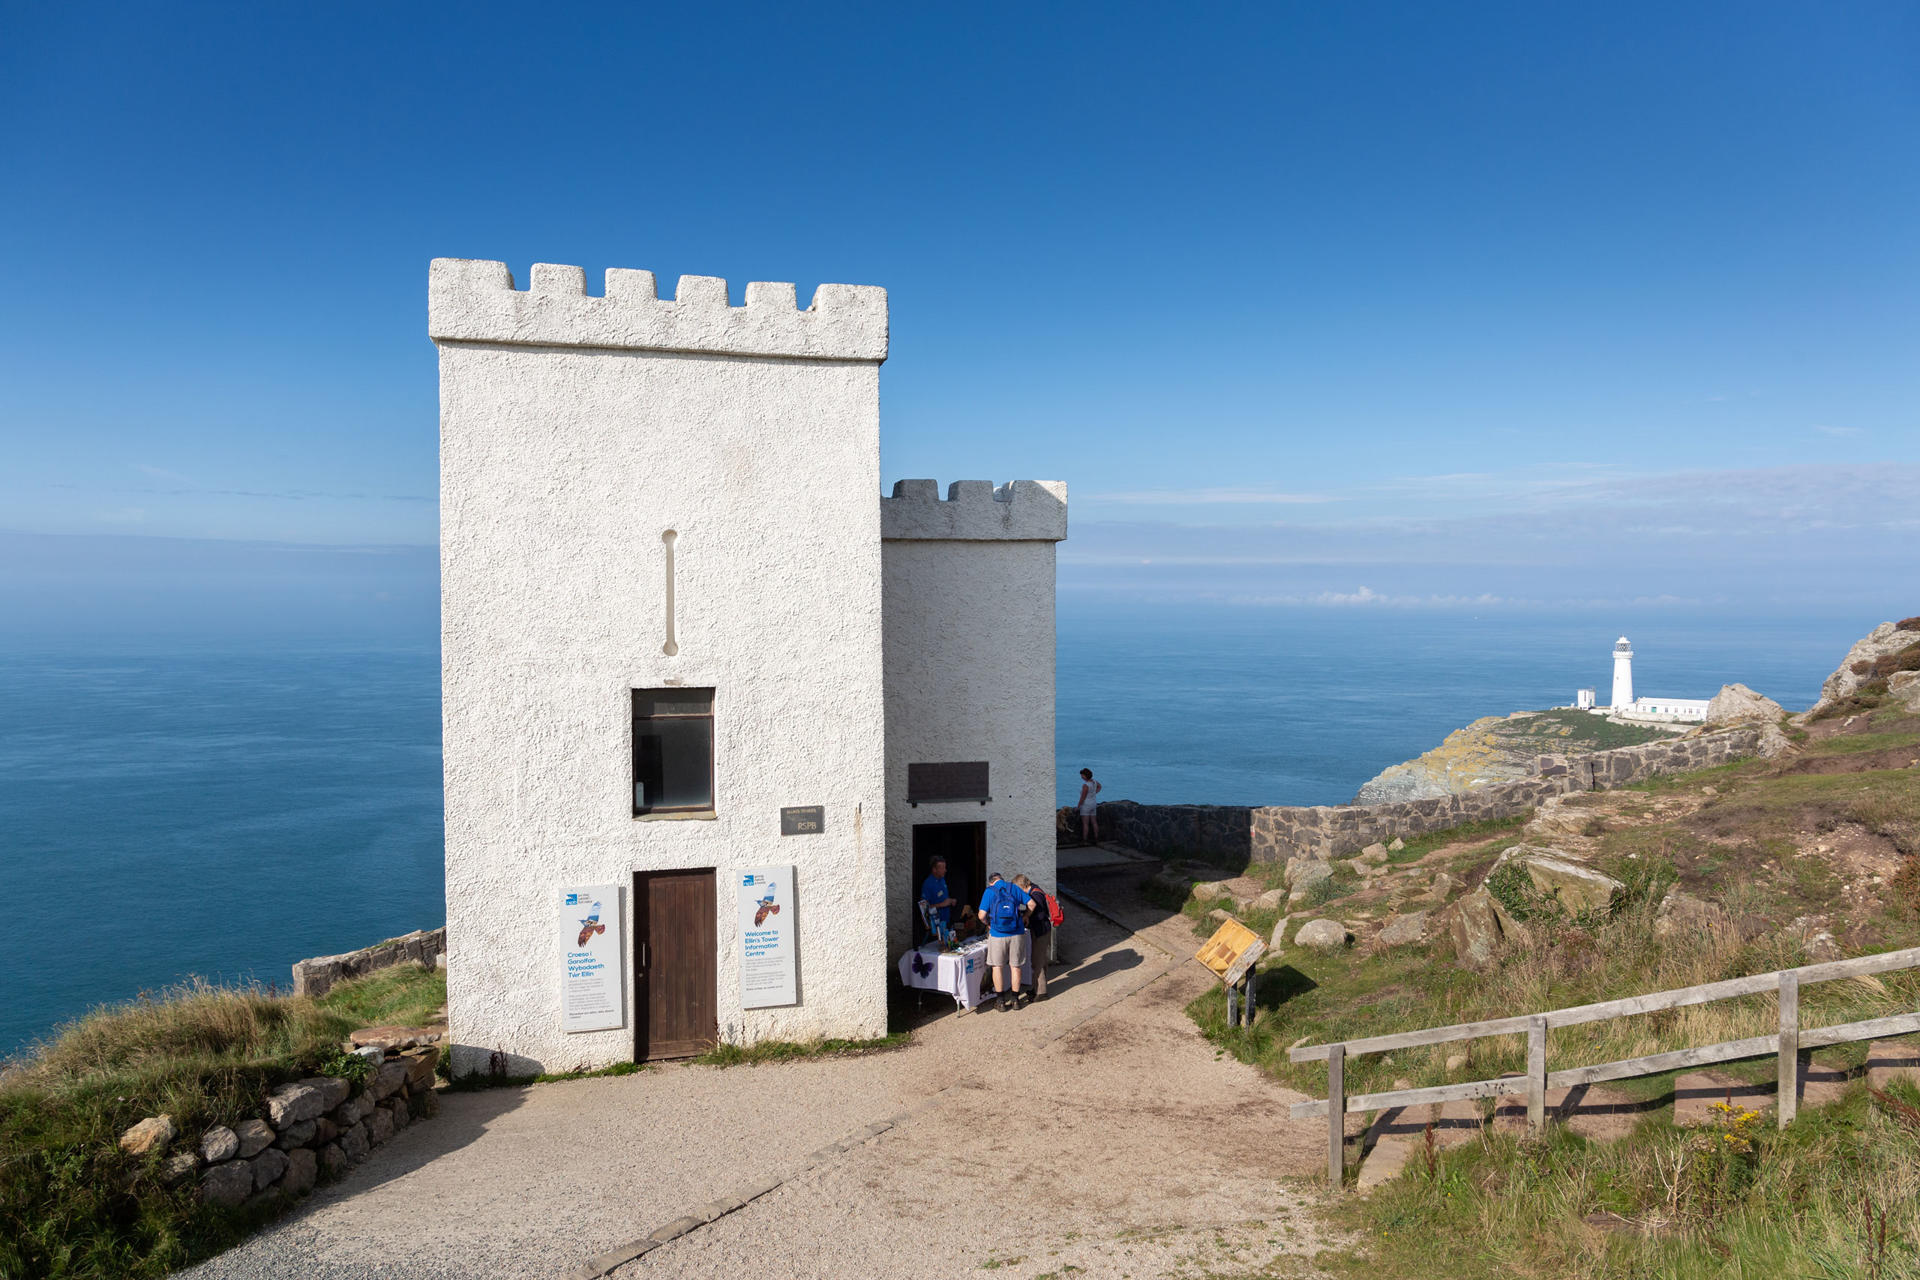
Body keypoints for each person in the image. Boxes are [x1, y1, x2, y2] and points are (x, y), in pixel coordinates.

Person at [977, 872, 1034, 1010]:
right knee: (1016, 966)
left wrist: (988, 924)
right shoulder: (1013, 888)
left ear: (991, 882)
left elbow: (981, 915)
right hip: (1017, 933)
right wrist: (1026, 916)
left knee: (997, 966)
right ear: (1002, 879)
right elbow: (1032, 904)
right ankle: (1015, 1000)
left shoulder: (989, 891)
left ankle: (1001, 1001)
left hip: (997, 934)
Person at [1013, 874, 1051, 1000]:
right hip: (1042, 930)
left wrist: (1026, 916)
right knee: (1040, 960)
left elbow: (1040, 915)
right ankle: (1036, 988)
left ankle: (1041, 993)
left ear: (1022, 886)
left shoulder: (1035, 895)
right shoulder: (1035, 890)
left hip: (1041, 931)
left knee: (1037, 962)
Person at [918, 857, 956, 940]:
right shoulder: (928, 884)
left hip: (946, 922)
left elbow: (942, 898)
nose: (945, 870)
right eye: (942, 868)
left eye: (945, 867)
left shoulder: (942, 879)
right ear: (934, 870)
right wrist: (943, 904)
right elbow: (924, 909)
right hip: (936, 927)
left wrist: (951, 900)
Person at [1077, 768, 1103, 843]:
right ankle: (1096, 838)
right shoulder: (1094, 782)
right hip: (1093, 803)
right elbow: (1100, 786)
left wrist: (1078, 806)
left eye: (1082, 775)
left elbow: (1082, 798)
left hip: (1086, 805)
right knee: (1094, 822)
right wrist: (1094, 793)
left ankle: (1084, 840)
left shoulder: (1085, 785)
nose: (1081, 776)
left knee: (1085, 824)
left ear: (1085, 776)